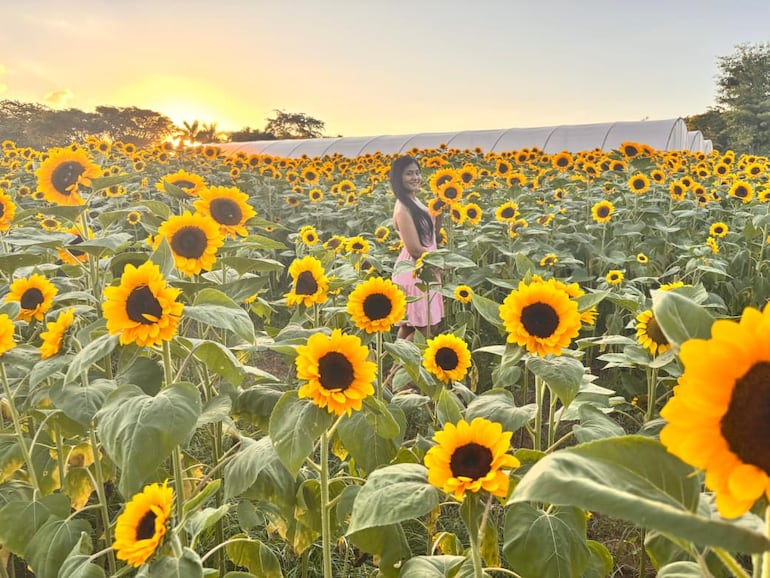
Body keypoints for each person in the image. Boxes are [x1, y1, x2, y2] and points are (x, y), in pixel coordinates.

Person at [390, 154, 444, 341]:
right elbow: (414, 248)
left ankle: (394, 369)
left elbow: (431, 237)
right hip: (414, 271)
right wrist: (443, 262)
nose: (415, 177)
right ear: (399, 178)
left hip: (426, 268)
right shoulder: (403, 209)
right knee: (428, 326)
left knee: (408, 326)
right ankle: (401, 367)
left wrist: (440, 210)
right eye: (409, 174)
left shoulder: (415, 201)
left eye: (417, 173)